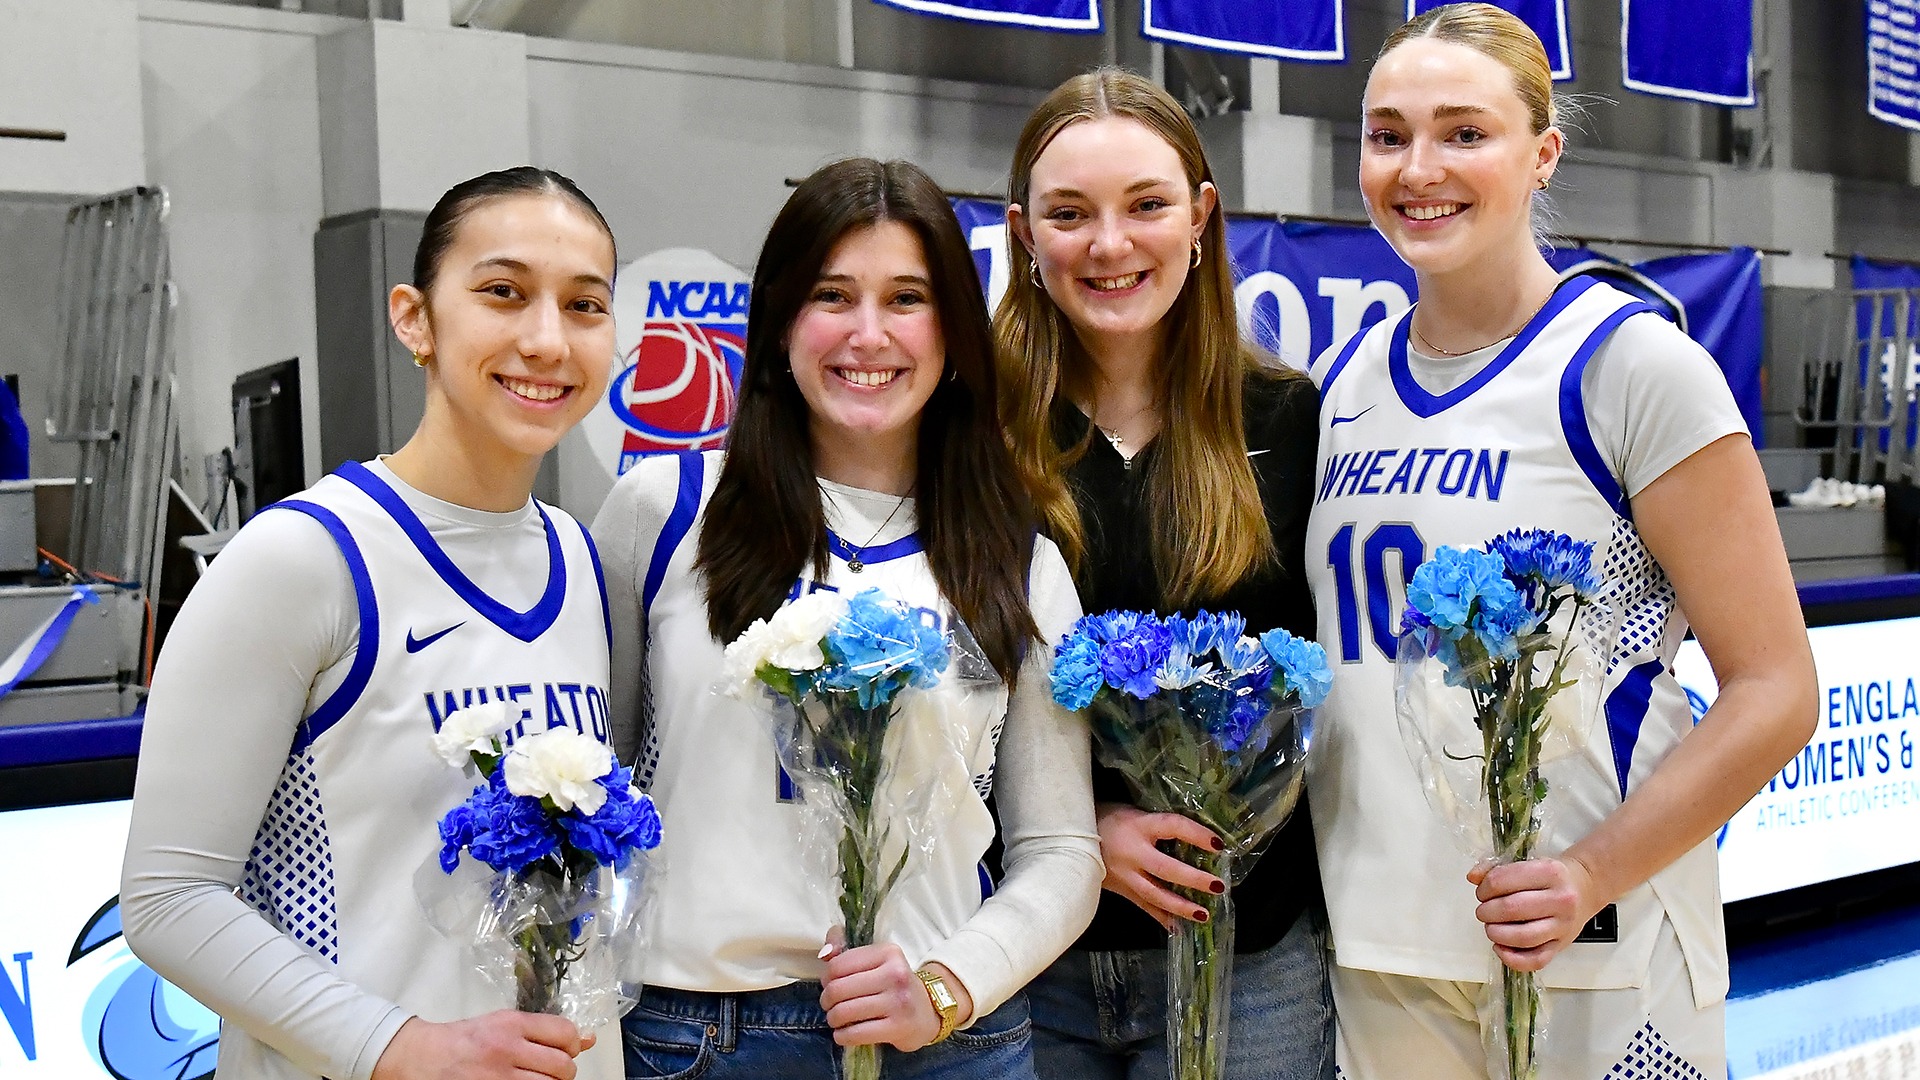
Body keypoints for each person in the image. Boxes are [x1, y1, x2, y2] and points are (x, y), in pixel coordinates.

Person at [1305, 6, 1818, 1078]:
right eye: (1388, 135)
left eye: (1464, 133)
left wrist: (1589, 873)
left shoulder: (1633, 367)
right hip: (1382, 952)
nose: (1418, 168)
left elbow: (1775, 689)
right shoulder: (1339, 385)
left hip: (1597, 946)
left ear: (1543, 154)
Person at [593, 157, 1102, 1080]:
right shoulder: (663, 514)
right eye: (832, 295)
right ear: (781, 319)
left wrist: (947, 987)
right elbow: (600, 793)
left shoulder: (1018, 561)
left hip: (951, 1044)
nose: (869, 334)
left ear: (954, 330)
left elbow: (1062, 850)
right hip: (700, 1041)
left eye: (907, 298)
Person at [121, 166, 623, 1080]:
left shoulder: (583, 562)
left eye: (585, 305)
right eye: (503, 292)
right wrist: (399, 1045)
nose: (548, 340)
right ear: (414, 319)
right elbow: (169, 898)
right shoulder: (301, 558)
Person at [995, 69, 1333, 1080]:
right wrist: (1077, 831)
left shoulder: (1291, 421)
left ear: (1200, 217)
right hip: (1023, 959)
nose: (1110, 244)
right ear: (1023, 234)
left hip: (1252, 961)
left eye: (1145, 204)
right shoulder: (971, 437)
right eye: (1070, 214)